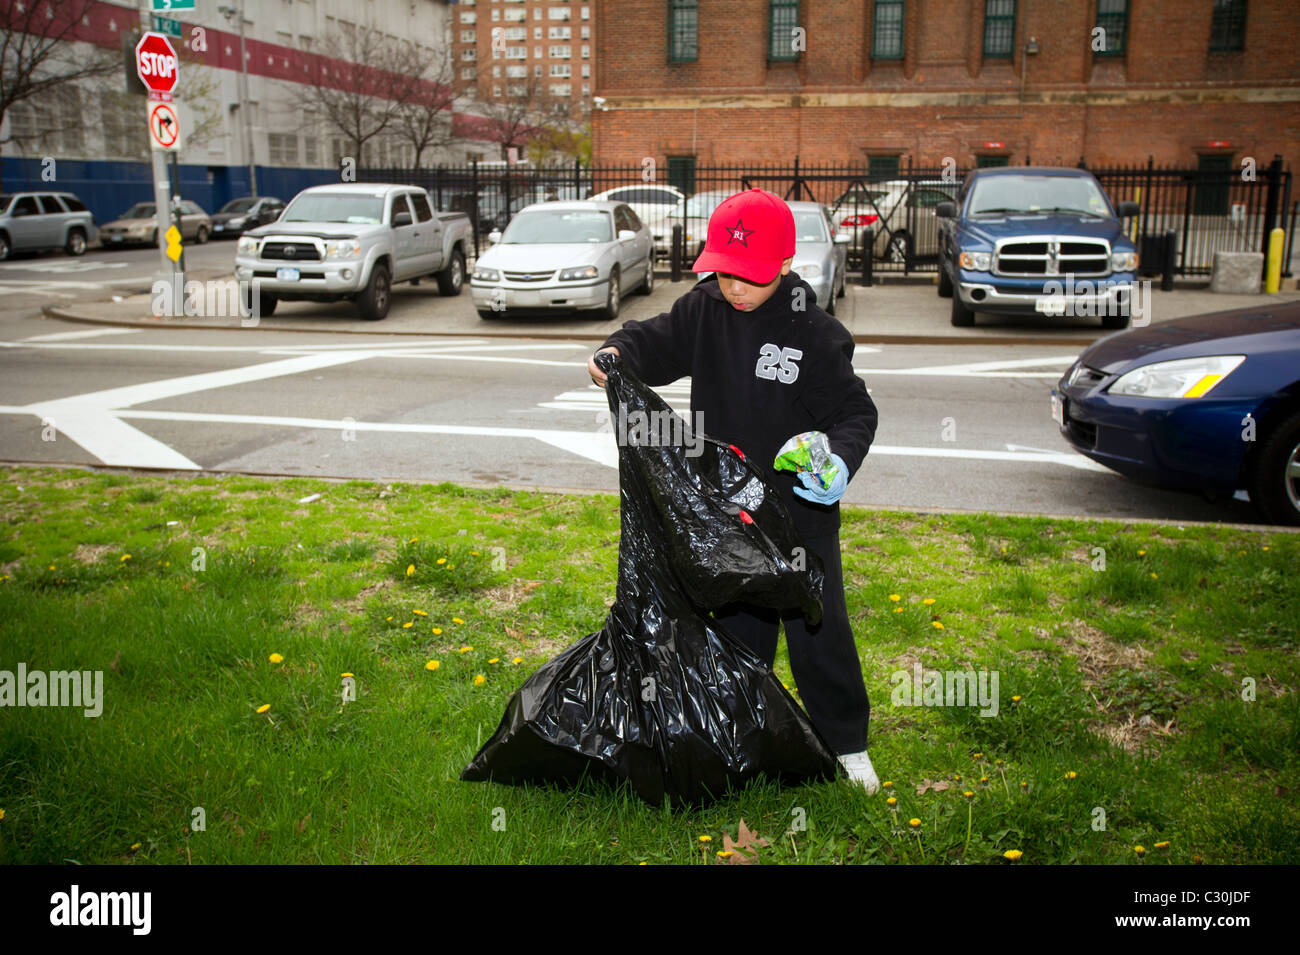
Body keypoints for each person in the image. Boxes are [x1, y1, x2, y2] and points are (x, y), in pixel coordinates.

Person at [586, 188, 880, 793]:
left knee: (818, 633)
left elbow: (856, 411)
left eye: (746, 274)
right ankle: (739, 733)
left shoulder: (816, 333)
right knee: (737, 629)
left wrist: (839, 461)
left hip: (801, 516)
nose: (733, 286)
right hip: (731, 512)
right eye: (721, 271)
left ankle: (847, 743)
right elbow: (656, 337)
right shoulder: (705, 310)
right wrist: (618, 350)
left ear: (785, 263)